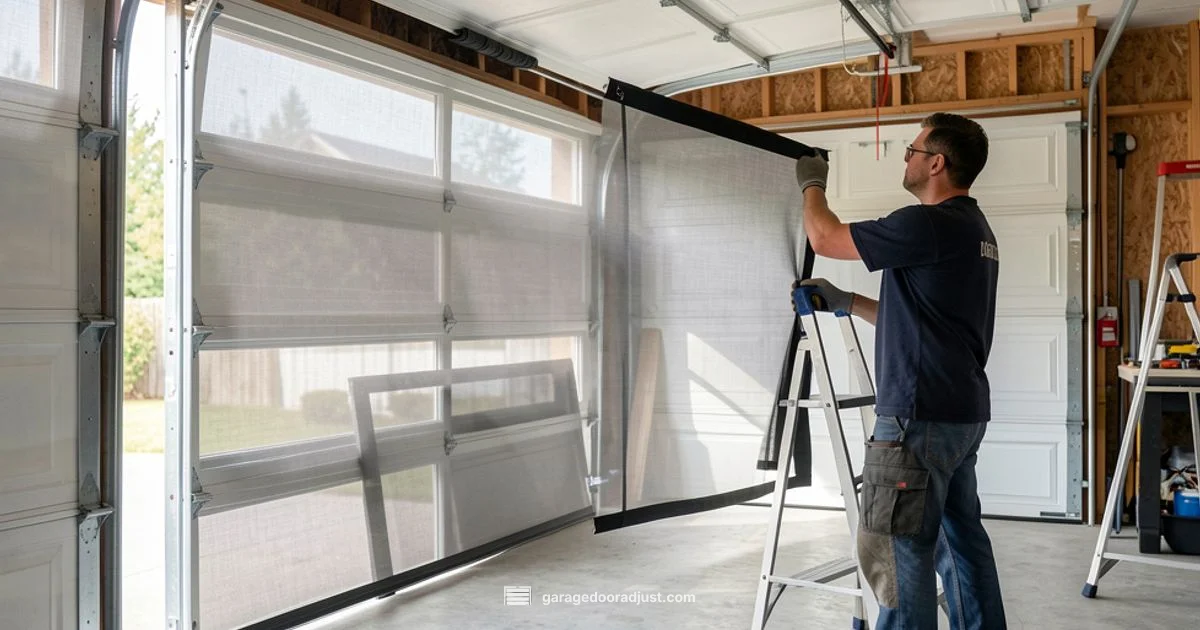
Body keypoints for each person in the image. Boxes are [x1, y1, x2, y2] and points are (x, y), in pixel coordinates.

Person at [793, 112, 1006, 630]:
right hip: (958, 415)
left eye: (913, 150)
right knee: (962, 547)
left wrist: (811, 183)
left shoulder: (926, 223)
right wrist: (848, 301)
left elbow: (824, 237)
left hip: (916, 419)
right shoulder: (974, 229)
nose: (905, 157)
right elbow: (924, 318)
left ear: (936, 163)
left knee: (898, 552)